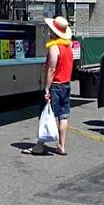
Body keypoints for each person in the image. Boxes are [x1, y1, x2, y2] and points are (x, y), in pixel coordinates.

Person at [22, 16, 73, 155]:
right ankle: (61, 146)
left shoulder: (54, 48)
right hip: (66, 85)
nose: (49, 32)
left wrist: (46, 88)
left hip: (55, 85)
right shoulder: (68, 47)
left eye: (51, 30)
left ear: (54, 33)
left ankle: (39, 145)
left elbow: (51, 69)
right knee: (63, 116)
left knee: (45, 114)